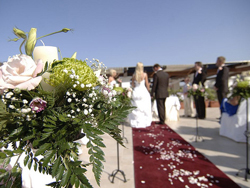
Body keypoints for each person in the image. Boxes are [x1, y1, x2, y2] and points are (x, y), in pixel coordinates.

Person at [128, 62, 152, 128]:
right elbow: (147, 85)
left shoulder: (134, 75)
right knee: (145, 107)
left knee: (136, 107)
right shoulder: (144, 74)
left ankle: (135, 121)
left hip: (136, 91)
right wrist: (149, 91)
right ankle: (145, 121)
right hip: (143, 91)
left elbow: (132, 85)